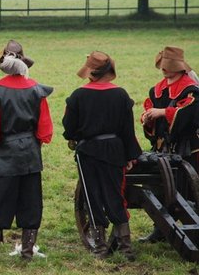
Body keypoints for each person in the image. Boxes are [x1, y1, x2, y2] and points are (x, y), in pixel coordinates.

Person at [0, 40, 53, 261]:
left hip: (6, 154)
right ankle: (27, 253)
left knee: (0, 200)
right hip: (30, 153)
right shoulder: (36, 89)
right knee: (31, 202)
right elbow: (44, 128)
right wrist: (34, 148)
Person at [62, 51, 141, 260]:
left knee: (92, 196)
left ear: (90, 73)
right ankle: (125, 247)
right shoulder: (121, 95)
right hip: (115, 150)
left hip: (88, 151)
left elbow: (69, 129)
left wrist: (74, 137)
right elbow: (128, 130)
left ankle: (99, 247)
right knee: (116, 194)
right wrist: (131, 154)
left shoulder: (77, 96)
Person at [139, 46, 199, 243]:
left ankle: (193, 231)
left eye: (168, 66)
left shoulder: (191, 89)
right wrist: (148, 118)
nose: (164, 69)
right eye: (162, 66)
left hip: (188, 148)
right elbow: (152, 113)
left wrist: (163, 112)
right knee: (160, 188)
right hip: (163, 149)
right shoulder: (156, 90)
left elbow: (189, 116)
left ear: (179, 67)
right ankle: (161, 228)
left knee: (190, 190)